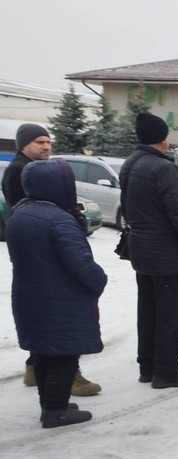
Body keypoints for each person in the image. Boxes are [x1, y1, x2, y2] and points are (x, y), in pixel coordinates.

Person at [2, 122, 101, 397]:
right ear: (23, 145)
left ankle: (35, 366)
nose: (46, 146)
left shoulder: (27, 170)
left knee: (44, 315)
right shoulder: (21, 173)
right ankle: (67, 377)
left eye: (48, 142)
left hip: (37, 257)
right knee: (56, 317)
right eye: (39, 142)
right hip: (46, 258)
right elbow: (35, 215)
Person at [120, 112, 178, 389]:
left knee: (148, 311)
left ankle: (148, 366)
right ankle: (166, 371)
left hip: (142, 250)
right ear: (163, 138)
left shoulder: (131, 164)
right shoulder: (163, 169)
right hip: (167, 254)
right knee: (172, 315)